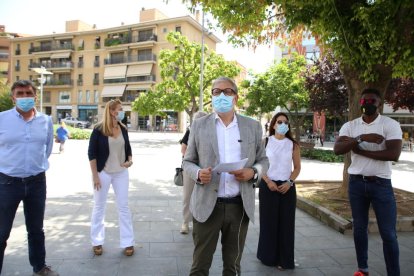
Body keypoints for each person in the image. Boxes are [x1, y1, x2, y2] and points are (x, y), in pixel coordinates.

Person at [183, 77, 269, 275]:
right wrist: (197, 173)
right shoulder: (199, 125)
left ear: (236, 98)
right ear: (211, 97)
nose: (221, 95)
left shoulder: (253, 126)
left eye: (227, 91)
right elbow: (187, 161)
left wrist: (253, 172)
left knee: (233, 267)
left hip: (238, 206)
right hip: (206, 206)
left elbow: (264, 160)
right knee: (199, 266)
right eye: (216, 91)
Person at [333, 88, 402, 276]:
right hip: (356, 184)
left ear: (379, 103)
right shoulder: (351, 126)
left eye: (372, 100)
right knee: (359, 229)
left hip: (381, 184)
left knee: (388, 233)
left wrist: (360, 150)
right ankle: (362, 269)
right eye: (364, 101)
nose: (368, 104)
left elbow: (393, 154)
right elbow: (338, 149)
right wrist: (361, 138)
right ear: (360, 103)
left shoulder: (390, 124)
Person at [0, 80, 59, 275]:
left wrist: (35, 166)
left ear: (35, 97)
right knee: (1, 232)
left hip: (37, 181)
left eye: (28, 93)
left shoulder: (45, 121)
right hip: (7, 182)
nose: (24, 97)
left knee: (36, 230)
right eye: (20, 93)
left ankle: (40, 267)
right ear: (13, 97)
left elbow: (48, 148)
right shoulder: (2, 119)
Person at [88, 99, 135, 257]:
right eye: (119, 109)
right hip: (103, 173)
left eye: (122, 109)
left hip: (121, 173)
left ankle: (128, 242)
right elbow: (91, 154)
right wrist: (95, 176)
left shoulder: (123, 128)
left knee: (123, 207)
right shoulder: (98, 130)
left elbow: (128, 148)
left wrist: (130, 160)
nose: (121, 112)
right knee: (99, 207)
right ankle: (97, 241)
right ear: (110, 111)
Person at [257, 112, 301, 270]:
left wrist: (289, 182)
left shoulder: (293, 144)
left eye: (285, 122)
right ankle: (268, 257)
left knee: (286, 224)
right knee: (268, 222)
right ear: (273, 124)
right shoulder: (265, 142)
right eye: (279, 121)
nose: (283, 124)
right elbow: (259, 165)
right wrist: (268, 181)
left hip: (287, 187)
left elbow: (297, 168)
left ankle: (285, 260)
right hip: (268, 186)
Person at [179, 111, 207, 234]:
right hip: (191, 169)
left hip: (206, 170)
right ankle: (185, 222)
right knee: (188, 196)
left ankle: (200, 220)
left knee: (204, 196)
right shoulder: (190, 131)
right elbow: (183, 149)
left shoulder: (210, 132)